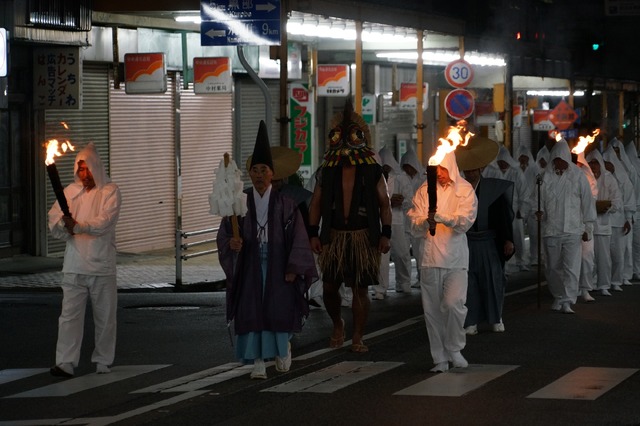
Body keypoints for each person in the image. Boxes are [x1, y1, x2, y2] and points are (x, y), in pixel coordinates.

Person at [217, 121, 317, 379]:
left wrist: (295, 267)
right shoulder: (241, 202)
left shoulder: (286, 204)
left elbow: (298, 238)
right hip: (249, 262)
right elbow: (226, 233)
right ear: (249, 174)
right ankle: (258, 361)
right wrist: (232, 244)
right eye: (255, 170)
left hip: (279, 263)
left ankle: (282, 350)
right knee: (251, 311)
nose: (259, 175)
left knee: (278, 309)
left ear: (273, 174)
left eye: (264, 170)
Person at [308, 100, 392, 353]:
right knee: (330, 288)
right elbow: (315, 204)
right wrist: (313, 233)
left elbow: (385, 204)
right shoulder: (327, 171)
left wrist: (385, 234)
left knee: (359, 288)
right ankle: (337, 323)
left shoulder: (372, 170)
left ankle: (357, 335)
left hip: (363, 236)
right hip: (333, 236)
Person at [48, 143, 122, 378]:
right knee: (69, 315)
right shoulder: (69, 192)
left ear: (96, 168)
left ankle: (102, 360)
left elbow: (104, 222)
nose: (84, 174)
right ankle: (65, 362)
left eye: (87, 169)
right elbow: (54, 223)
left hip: (102, 265)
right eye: (80, 169)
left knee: (105, 316)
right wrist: (64, 226)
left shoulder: (110, 191)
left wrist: (79, 226)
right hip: (74, 265)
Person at [407, 147, 478, 372]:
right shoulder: (424, 190)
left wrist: (442, 218)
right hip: (430, 256)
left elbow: (466, 221)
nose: (439, 173)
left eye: (443, 169)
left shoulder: (465, 190)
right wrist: (423, 222)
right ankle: (440, 358)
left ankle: (455, 348)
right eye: (436, 169)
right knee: (432, 311)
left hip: (456, 257)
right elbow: (413, 222)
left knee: (453, 303)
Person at [456, 137, 514, 335]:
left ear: (481, 169)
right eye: (467, 170)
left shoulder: (493, 189)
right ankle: (470, 320)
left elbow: (504, 217)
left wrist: (508, 239)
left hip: (489, 241)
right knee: (468, 282)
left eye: (474, 169)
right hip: (466, 242)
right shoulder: (459, 190)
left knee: (493, 280)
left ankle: (495, 317)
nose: (470, 173)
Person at [537, 139, 596, 314]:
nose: (559, 164)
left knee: (571, 266)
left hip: (573, 229)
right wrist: (537, 211)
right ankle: (558, 295)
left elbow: (587, 203)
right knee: (552, 266)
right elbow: (536, 201)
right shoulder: (544, 178)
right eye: (556, 160)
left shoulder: (578, 177)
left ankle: (568, 300)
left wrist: (588, 228)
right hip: (551, 229)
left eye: (562, 161)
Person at [373, 146, 414, 298]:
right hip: (380, 221)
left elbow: (410, 200)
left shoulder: (400, 178)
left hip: (396, 220)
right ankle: (380, 288)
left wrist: (401, 201)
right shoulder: (375, 177)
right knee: (382, 256)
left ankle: (404, 282)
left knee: (402, 252)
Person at [483, 146, 530, 272]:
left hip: (514, 210)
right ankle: (504, 264)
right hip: (496, 211)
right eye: (500, 162)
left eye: (504, 162)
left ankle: (521, 260)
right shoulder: (491, 170)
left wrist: (522, 209)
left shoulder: (516, 172)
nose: (502, 164)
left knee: (518, 237)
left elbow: (524, 192)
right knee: (500, 237)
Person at [586, 148, 621, 297]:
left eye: (595, 162)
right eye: (590, 163)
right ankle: (589, 284)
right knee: (588, 258)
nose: (593, 165)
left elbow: (617, 201)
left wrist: (607, 207)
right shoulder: (584, 178)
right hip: (588, 224)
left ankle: (604, 284)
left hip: (604, 224)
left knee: (604, 257)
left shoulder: (609, 179)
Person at [602, 142, 635, 293]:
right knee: (603, 255)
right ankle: (602, 281)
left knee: (619, 254)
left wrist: (628, 218)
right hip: (604, 221)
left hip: (619, 221)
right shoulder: (602, 179)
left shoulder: (623, 178)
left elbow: (628, 199)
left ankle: (616, 280)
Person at [624, 140, 640, 280]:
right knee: (632, 244)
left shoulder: (632, 171)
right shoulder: (628, 172)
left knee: (634, 244)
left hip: (634, 210)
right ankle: (633, 270)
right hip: (632, 210)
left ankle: (636, 269)